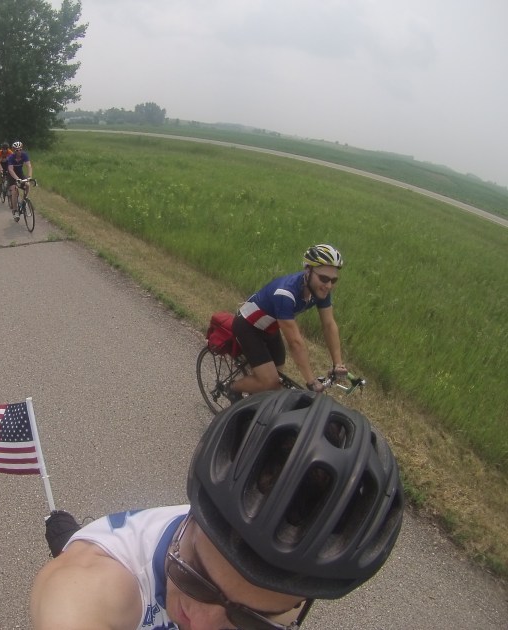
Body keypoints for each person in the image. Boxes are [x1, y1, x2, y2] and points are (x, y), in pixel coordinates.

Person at [31, 390, 404, 630]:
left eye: (252, 620)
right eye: (193, 575)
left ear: (301, 603)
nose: (200, 624)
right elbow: (73, 603)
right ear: (190, 521)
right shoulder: (100, 582)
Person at [228, 244, 348, 402]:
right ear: (308, 270)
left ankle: (254, 399)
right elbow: (295, 343)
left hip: (270, 328)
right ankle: (232, 388)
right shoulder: (285, 294)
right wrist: (311, 381)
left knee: (278, 378)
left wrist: (338, 364)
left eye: (334, 280)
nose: (328, 285)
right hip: (248, 327)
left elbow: (329, 325)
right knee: (270, 382)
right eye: (324, 278)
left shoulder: (319, 290)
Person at [6, 141, 33, 221]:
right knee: (14, 190)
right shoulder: (11, 157)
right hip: (12, 176)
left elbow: (29, 166)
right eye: (17, 150)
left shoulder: (24, 155)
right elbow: (11, 169)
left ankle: (24, 200)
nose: (19, 151)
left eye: (20, 149)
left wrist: (29, 177)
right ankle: (15, 210)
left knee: (27, 185)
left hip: (20, 174)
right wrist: (17, 179)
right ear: (13, 150)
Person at [0, 142, 13, 207]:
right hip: (1, 165)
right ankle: (0, 190)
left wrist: (11, 169)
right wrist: (1, 169)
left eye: (6, 149)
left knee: (10, 173)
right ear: (1, 148)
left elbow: (12, 161)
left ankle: (9, 185)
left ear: (8, 148)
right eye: (3, 149)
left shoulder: (10, 152)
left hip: (7, 164)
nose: (5, 150)